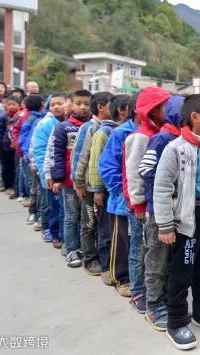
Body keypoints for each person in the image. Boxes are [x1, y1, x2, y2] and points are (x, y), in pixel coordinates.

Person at [154, 94, 200, 349]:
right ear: (195, 116)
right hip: (189, 218)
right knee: (182, 271)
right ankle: (176, 321)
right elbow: (162, 188)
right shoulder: (176, 149)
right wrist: (165, 225)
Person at [137, 94, 184, 330]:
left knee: (170, 260)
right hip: (158, 211)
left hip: (178, 211)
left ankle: (165, 299)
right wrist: (172, 179)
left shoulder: (184, 139)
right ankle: (153, 305)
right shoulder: (162, 138)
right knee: (157, 260)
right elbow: (145, 169)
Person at [124, 86, 171, 313]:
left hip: (154, 205)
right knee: (140, 249)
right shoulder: (141, 137)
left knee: (151, 250)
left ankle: (151, 289)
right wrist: (139, 204)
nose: (169, 111)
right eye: (165, 107)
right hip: (141, 207)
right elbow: (134, 174)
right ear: (152, 110)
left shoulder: (162, 134)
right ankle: (138, 291)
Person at [99, 94, 140, 297]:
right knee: (122, 241)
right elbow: (107, 167)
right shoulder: (120, 133)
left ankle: (137, 277)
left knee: (138, 242)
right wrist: (125, 191)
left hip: (142, 202)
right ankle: (121, 278)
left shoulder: (154, 132)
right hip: (122, 202)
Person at [89, 94, 130, 286]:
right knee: (107, 230)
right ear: (122, 110)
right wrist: (97, 189)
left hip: (121, 193)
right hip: (111, 192)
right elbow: (98, 163)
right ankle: (108, 267)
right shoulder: (106, 132)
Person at [72, 92, 114, 276]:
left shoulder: (110, 127)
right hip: (89, 187)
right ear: (101, 107)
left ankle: (100, 256)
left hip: (103, 187)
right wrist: (79, 182)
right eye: (111, 104)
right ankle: (89, 259)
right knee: (88, 223)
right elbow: (79, 157)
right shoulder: (89, 128)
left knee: (101, 224)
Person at [51, 89, 92, 268]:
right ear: (71, 105)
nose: (82, 107)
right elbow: (57, 155)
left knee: (87, 217)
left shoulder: (94, 126)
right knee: (71, 216)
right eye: (78, 103)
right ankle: (72, 249)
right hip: (69, 183)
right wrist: (57, 178)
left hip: (88, 183)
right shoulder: (63, 127)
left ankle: (85, 248)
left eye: (86, 104)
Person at [31, 93, 67, 245]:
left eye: (60, 103)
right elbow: (40, 151)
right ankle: (54, 234)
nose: (56, 107)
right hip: (52, 173)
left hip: (66, 173)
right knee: (54, 205)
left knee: (65, 207)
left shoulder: (70, 123)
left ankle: (63, 234)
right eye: (53, 104)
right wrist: (46, 174)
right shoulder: (46, 125)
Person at [18, 95, 47, 222]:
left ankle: (35, 214)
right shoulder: (34, 120)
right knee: (35, 188)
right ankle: (34, 213)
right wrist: (29, 159)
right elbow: (26, 140)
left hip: (31, 158)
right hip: (31, 159)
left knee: (36, 188)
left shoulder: (38, 118)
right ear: (43, 103)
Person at [0, 95, 21, 196]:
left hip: (17, 147)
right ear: (6, 106)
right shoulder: (2, 116)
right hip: (5, 147)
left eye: (14, 104)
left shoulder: (21, 116)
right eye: (9, 104)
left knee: (16, 168)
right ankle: (8, 185)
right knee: (6, 167)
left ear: (19, 105)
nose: (11, 106)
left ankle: (16, 187)